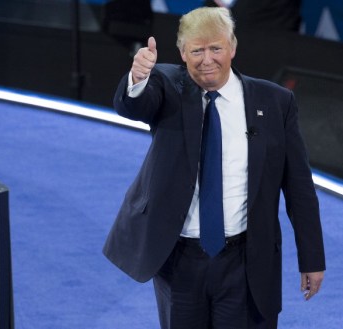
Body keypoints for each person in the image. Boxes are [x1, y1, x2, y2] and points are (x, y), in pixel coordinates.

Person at [103, 6, 325, 329]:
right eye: (197, 50)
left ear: (232, 47)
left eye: (215, 48)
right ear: (182, 53)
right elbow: (135, 103)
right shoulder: (168, 87)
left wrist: (312, 259)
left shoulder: (275, 103)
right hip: (179, 263)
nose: (207, 59)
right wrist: (138, 78)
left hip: (245, 263)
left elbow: (299, 189)